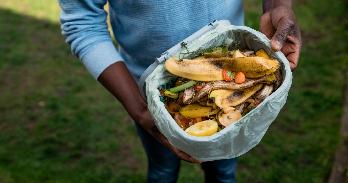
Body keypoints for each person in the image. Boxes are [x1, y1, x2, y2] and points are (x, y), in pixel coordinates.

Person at [58, 0, 301, 182]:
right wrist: (141, 110)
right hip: (152, 97)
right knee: (163, 169)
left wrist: (277, 5)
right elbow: (82, 22)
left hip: (234, 84)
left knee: (224, 169)